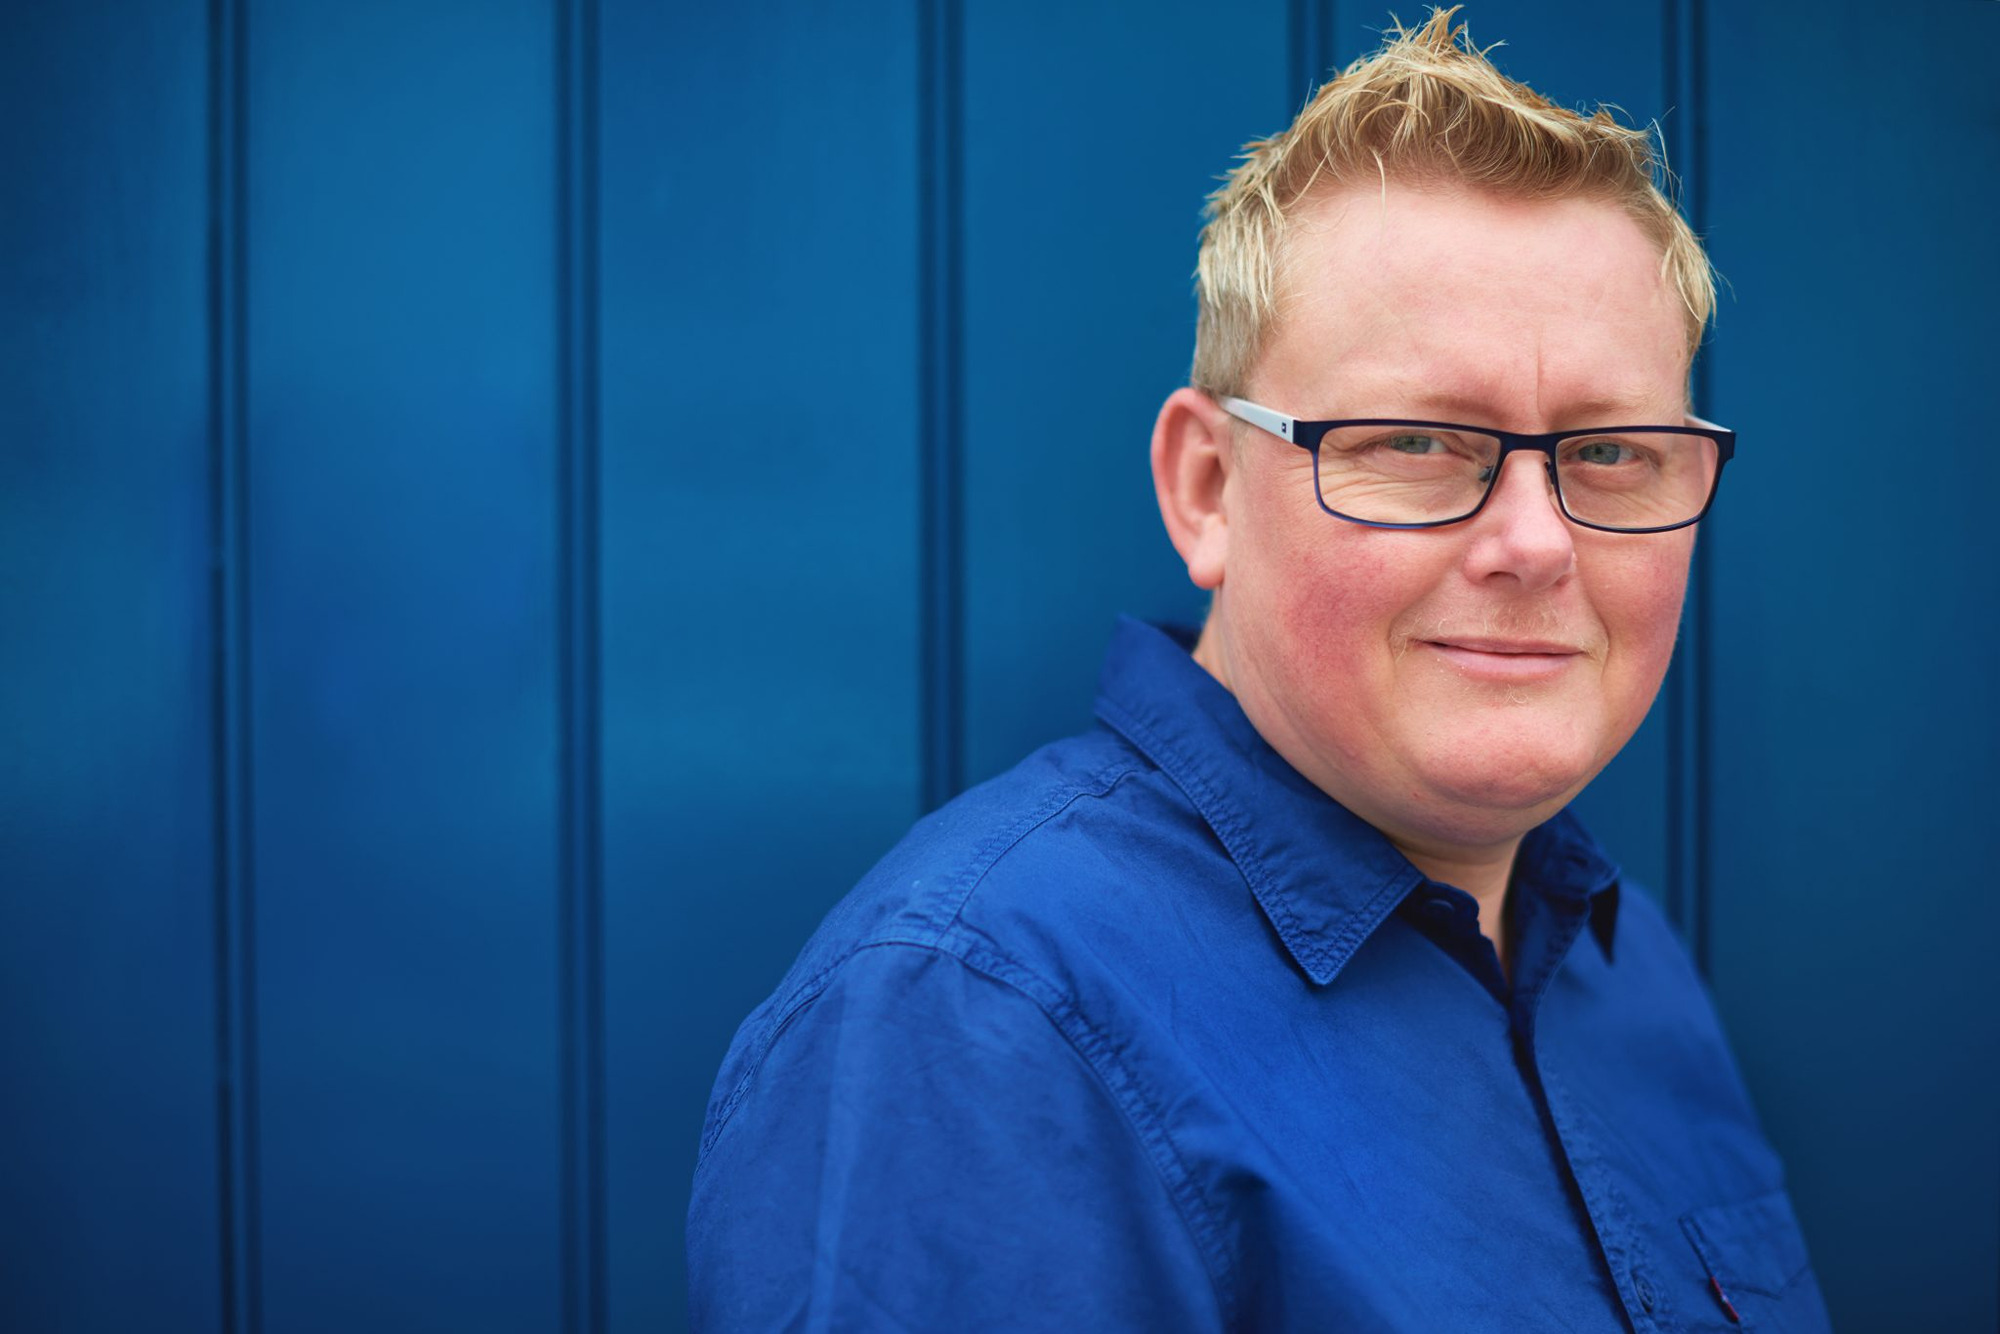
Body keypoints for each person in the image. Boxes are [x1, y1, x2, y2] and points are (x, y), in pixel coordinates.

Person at [687, 10, 1828, 1331]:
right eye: (1416, 440)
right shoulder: (977, 1026)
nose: (1537, 542)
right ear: (1207, 487)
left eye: (1615, 451)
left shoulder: (1626, 969)